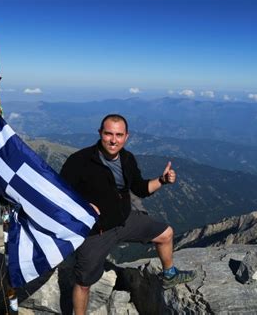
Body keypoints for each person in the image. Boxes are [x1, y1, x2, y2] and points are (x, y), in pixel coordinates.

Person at [60, 114, 196, 314]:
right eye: (108, 134)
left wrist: (162, 180)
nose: (113, 140)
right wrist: (83, 205)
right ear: (100, 134)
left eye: (119, 135)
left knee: (166, 234)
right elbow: (60, 195)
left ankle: (169, 274)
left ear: (126, 137)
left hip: (125, 219)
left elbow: (140, 188)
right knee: (83, 282)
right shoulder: (79, 161)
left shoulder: (127, 159)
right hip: (95, 232)